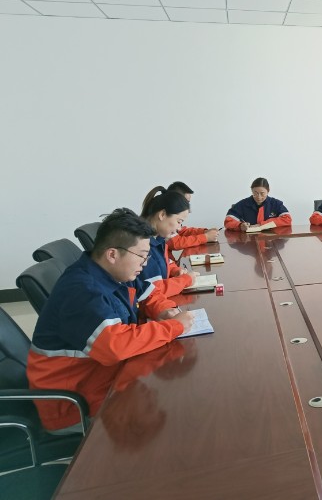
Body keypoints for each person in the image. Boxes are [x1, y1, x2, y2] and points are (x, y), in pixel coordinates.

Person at [26, 208, 194, 432]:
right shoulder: (82, 290)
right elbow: (115, 346)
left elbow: (148, 294)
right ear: (112, 254)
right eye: (142, 256)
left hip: (104, 378)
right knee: (180, 416)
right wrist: (173, 327)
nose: (145, 264)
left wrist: (164, 311)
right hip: (74, 403)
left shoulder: (115, 272)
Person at [138, 187, 196, 297]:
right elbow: (153, 291)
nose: (179, 228)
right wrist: (186, 280)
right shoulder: (142, 244)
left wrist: (175, 270)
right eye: (179, 221)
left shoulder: (158, 238)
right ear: (162, 215)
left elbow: (165, 261)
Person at [165, 181, 220, 250]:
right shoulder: (166, 219)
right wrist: (205, 237)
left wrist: (204, 232)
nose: (189, 209)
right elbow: (175, 243)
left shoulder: (173, 217)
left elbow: (182, 231)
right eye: (186, 202)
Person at [224, 177, 292, 231]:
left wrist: (262, 225)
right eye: (255, 193)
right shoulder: (242, 204)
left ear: (268, 191)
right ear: (252, 191)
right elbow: (228, 221)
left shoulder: (276, 204)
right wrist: (240, 225)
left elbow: (287, 219)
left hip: (271, 240)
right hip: (247, 241)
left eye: (262, 193)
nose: (259, 197)